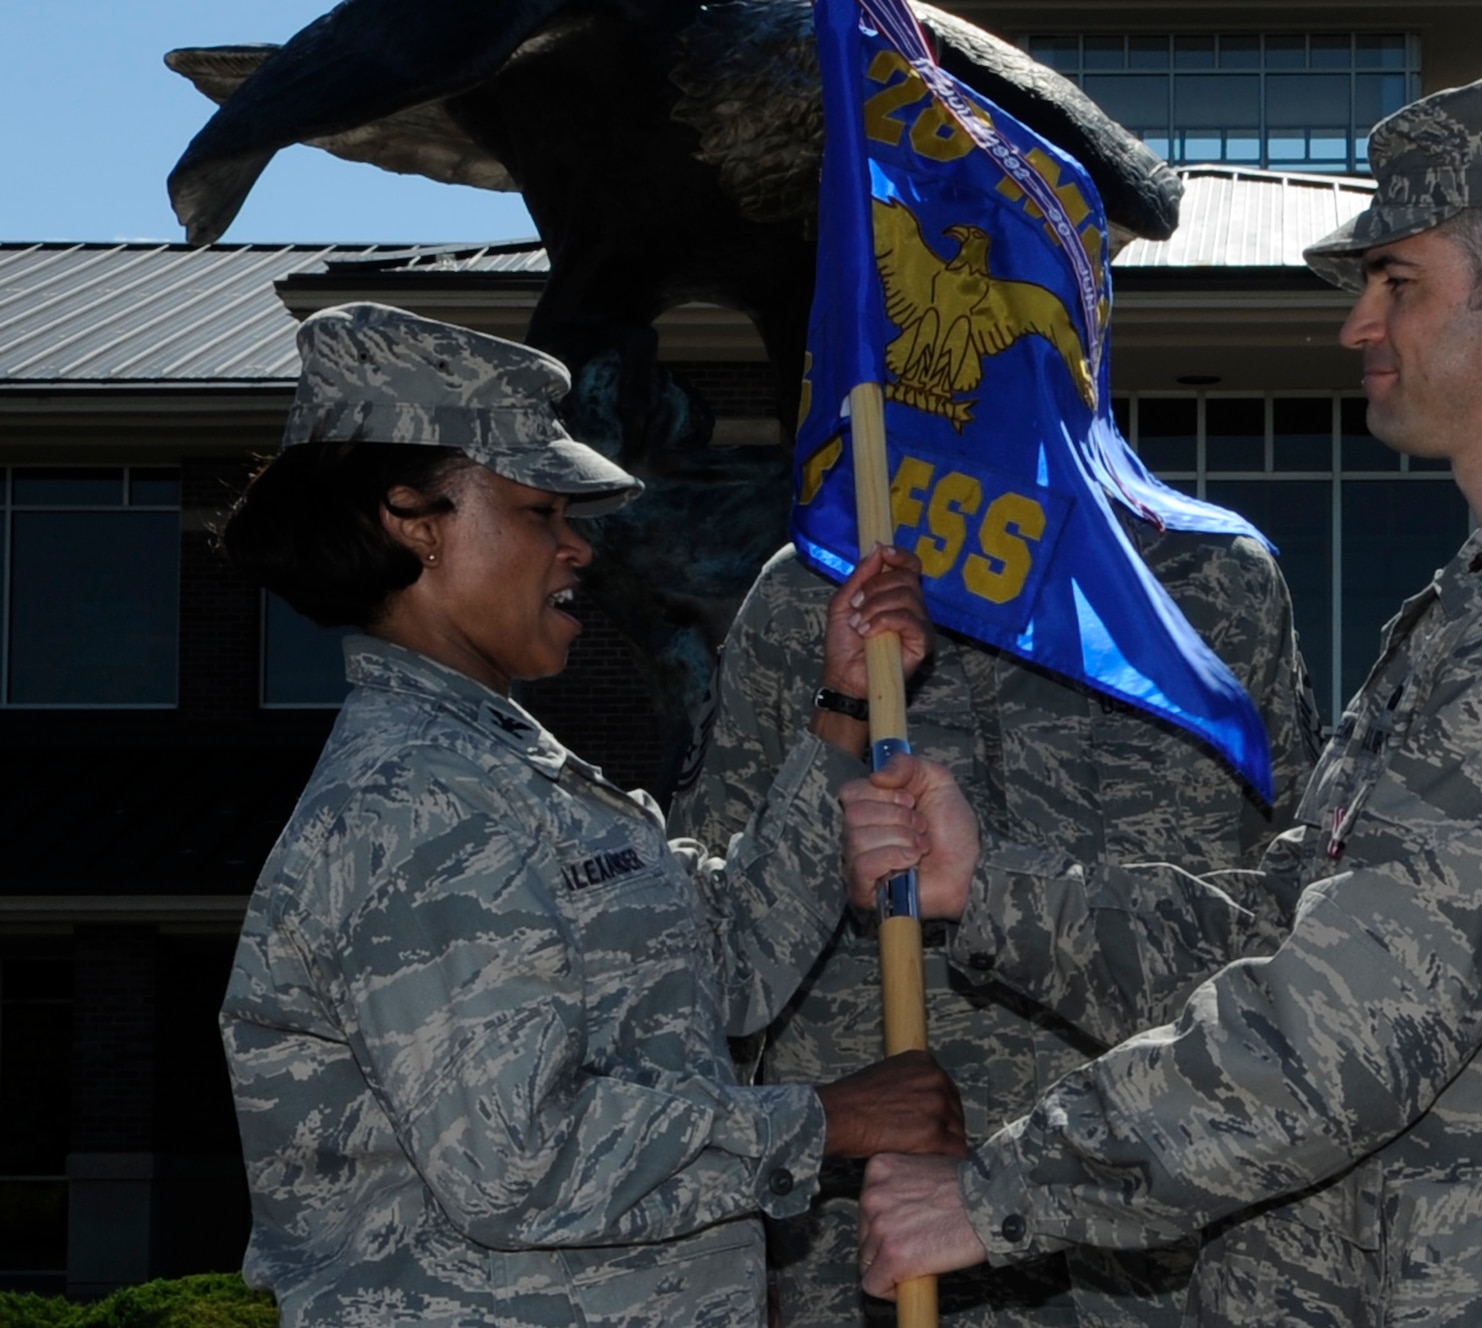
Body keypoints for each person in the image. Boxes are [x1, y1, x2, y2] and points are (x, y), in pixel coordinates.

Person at [841, 68, 1482, 1326]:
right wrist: (990, 888)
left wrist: (994, 1192)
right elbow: (1278, 938)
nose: (1355, 326)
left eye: (1398, 282)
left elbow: (1346, 1022)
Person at [217, 302, 963, 1327]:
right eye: (539, 512)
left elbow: (732, 963)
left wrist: (840, 703)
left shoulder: (509, 773)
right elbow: (516, 1163)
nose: (578, 549)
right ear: (412, 519)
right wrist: (824, 1119)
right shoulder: (417, 805)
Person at [668, 517, 1320, 1324]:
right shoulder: (815, 592)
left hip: (1153, 1227)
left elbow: (1290, 930)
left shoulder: (1211, 581)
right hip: (872, 1238)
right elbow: (714, 953)